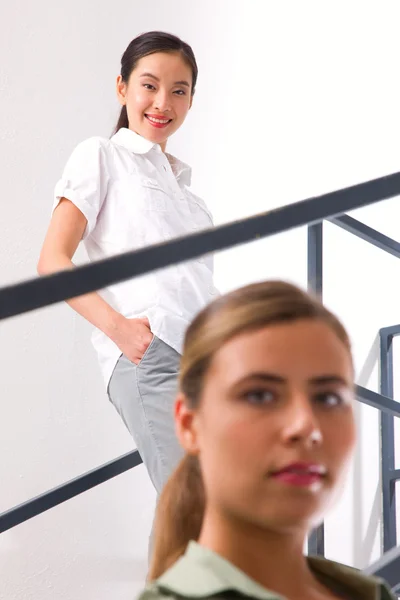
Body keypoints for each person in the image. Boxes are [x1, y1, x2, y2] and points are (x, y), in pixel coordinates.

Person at [37, 31, 217, 495]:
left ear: (191, 101)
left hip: (205, 362)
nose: (163, 102)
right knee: (194, 503)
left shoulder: (193, 202)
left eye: (179, 90)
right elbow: (52, 260)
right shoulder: (102, 155)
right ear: (123, 88)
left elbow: (194, 289)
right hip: (150, 353)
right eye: (150, 85)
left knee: (215, 504)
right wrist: (120, 330)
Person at [139, 281, 395, 599]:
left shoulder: (370, 593)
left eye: (328, 398)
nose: (305, 427)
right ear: (189, 424)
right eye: (260, 395)